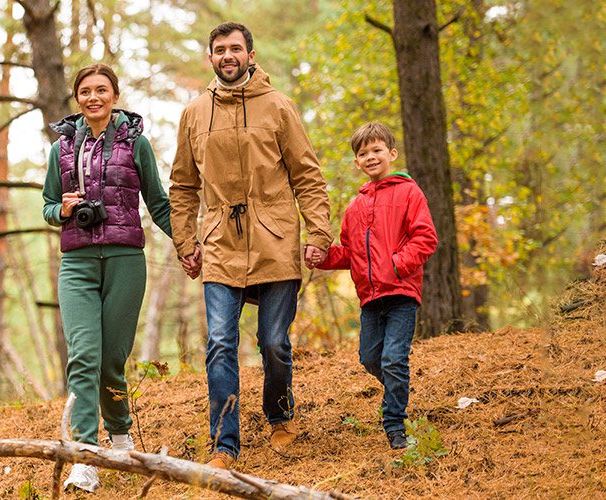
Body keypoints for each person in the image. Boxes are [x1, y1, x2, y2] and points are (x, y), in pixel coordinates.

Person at [169, 22, 332, 469]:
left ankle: (280, 417)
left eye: (235, 48)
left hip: (275, 239)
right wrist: (186, 240)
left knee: (274, 341)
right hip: (221, 242)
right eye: (219, 49)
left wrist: (318, 233)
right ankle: (224, 443)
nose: (228, 56)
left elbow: (307, 176)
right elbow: (182, 186)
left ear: (251, 55)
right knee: (221, 342)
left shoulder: (279, 107)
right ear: (210, 58)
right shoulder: (194, 113)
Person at [42, 63, 173, 491]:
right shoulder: (60, 147)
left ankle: (120, 436)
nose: (93, 97)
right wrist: (60, 209)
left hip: (125, 260)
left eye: (102, 90)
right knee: (84, 356)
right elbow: (46, 206)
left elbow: (158, 202)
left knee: (111, 362)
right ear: (76, 98)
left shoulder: (138, 144)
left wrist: (189, 245)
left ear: (115, 95)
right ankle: (85, 455)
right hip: (77, 262)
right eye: (85, 91)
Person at [313, 121, 438, 449]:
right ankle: (400, 388)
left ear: (391, 154)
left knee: (393, 358)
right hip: (370, 297)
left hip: (400, 293)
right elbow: (349, 252)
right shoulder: (354, 207)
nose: (370, 157)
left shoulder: (408, 191)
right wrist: (321, 257)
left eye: (377, 150)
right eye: (362, 153)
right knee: (371, 359)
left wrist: (397, 264)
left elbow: (425, 238)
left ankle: (395, 423)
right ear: (356, 162)